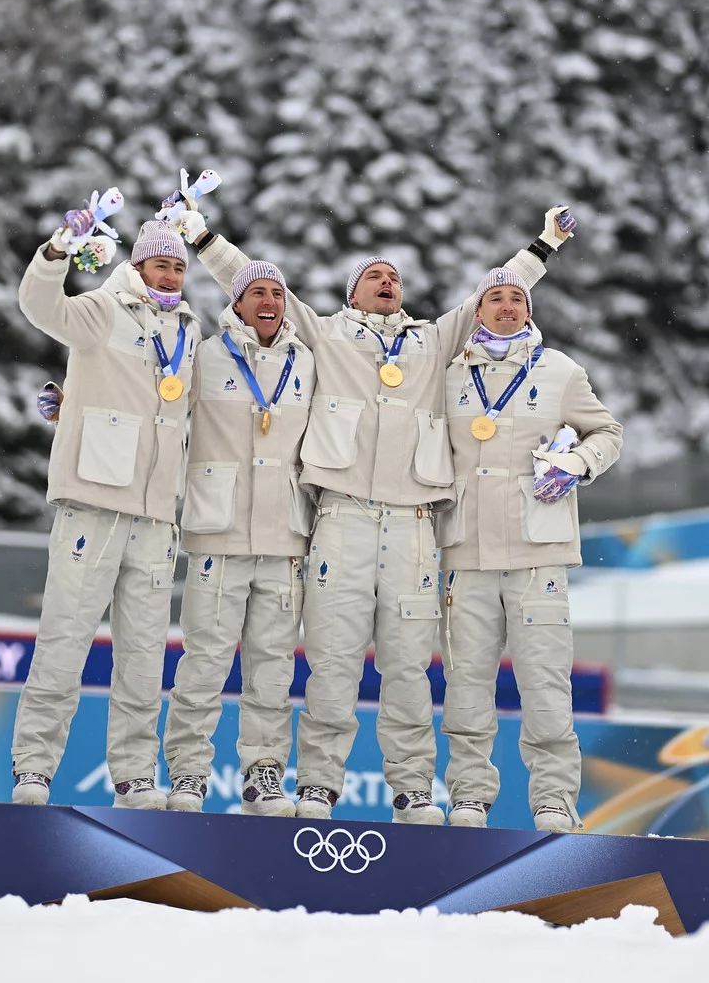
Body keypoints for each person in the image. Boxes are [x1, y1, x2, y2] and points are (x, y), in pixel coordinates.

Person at [184, 204, 576, 823]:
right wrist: (204, 238)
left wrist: (543, 247)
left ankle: (412, 787)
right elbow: (257, 283)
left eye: (394, 277)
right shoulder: (326, 334)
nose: (388, 283)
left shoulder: (433, 341)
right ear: (352, 292)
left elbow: (497, 297)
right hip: (340, 518)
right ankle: (317, 783)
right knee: (333, 659)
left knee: (409, 667)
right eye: (375, 276)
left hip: (414, 523)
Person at [9, 214, 199, 811]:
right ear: (136, 265)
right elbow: (41, 306)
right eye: (159, 263)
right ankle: (34, 769)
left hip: (155, 513)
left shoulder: (190, 330)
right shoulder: (103, 308)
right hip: (94, 502)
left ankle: (136, 775)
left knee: (143, 655)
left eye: (177, 265)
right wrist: (57, 250)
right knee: (64, 638)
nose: (169, 274)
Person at [437, 268, 620, 832]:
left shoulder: (560, 371)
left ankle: (554, 802)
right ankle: (468, 795)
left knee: (544, 684)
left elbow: (607, 433)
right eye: (496, 297)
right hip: (464, 549)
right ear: (478, 309)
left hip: (538, 550)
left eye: (518, 298)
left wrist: (578, 464)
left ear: (530, 311)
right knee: (467, 684)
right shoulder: (446, 375)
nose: (508, 306)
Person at [163, 261, 314, 816]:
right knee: (204, 661)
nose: (270, 300)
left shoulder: (308, 363)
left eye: (278, 291)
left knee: (273, 666)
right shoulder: (205, 354)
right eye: (257, 292)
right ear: (237, 302)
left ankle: (264, 773)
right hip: (218, 532)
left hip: (285, 535)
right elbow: (154, 399)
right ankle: (187, 773)